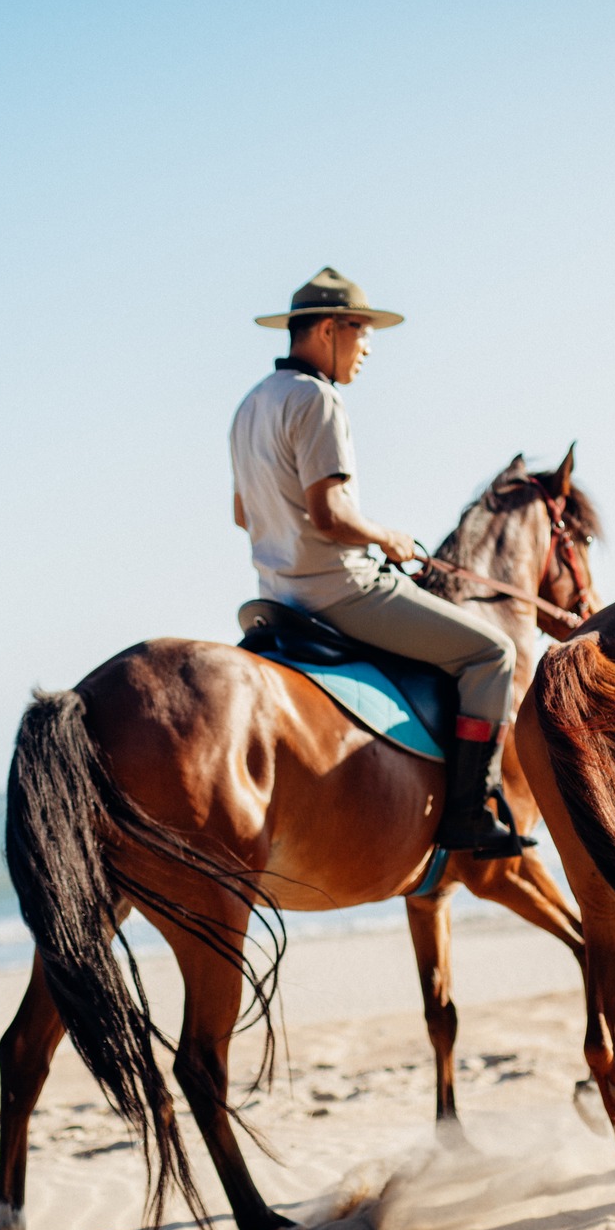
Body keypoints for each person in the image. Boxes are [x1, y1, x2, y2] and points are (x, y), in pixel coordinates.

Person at [229, 268, 528, 858]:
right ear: (329, 330)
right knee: (493, 654)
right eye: (361, 331)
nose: (366, 347)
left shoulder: (248, 407)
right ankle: (469, 810)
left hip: (276, 596)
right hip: (342, 590)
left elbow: (245, 514)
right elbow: (330, 515)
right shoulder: (317, 399)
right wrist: (387, 537)